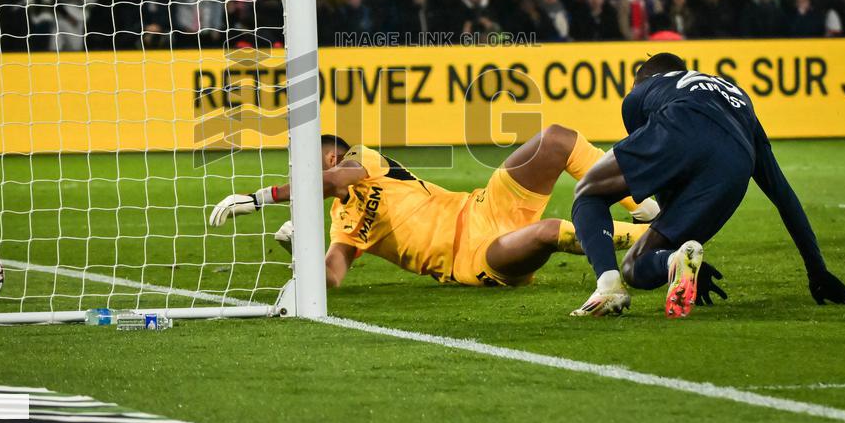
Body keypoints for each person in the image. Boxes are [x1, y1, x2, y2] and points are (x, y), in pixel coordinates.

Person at [568, 53, 845, 318]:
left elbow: (658, 168)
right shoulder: (739, 99)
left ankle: (608, 287)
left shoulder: (641, 91)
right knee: (637, 265)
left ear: (644, 77)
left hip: (680, 124)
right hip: (736, 162)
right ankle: (674, 262)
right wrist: (817, 270)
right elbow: (782, 193)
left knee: (589, 194)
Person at [209, 129, 659, 288]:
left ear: (331, 154)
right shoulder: (344, 223)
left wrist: (259, 198)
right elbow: (332, 276)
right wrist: (302, 251)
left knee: (556, 138)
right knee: (548, 231)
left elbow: (329, 182)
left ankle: (643, 207)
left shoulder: (362, 161)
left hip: (483, 205)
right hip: (475, 258)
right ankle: (656, 242)